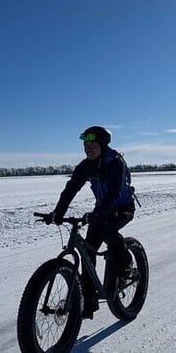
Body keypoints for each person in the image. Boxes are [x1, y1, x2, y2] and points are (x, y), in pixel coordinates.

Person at [45, 126, 136, 319]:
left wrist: (99, 213)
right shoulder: (85, 166)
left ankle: (127, 262)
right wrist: (58, 213)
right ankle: (89, 301)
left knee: (108, 231)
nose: (88, 148)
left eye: (93, 145)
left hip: (122, 208)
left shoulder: (115, 162)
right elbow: (70, 189)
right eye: (86, 145)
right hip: (102, 210)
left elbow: (115, 191)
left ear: (102, 145)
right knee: (87, 250)